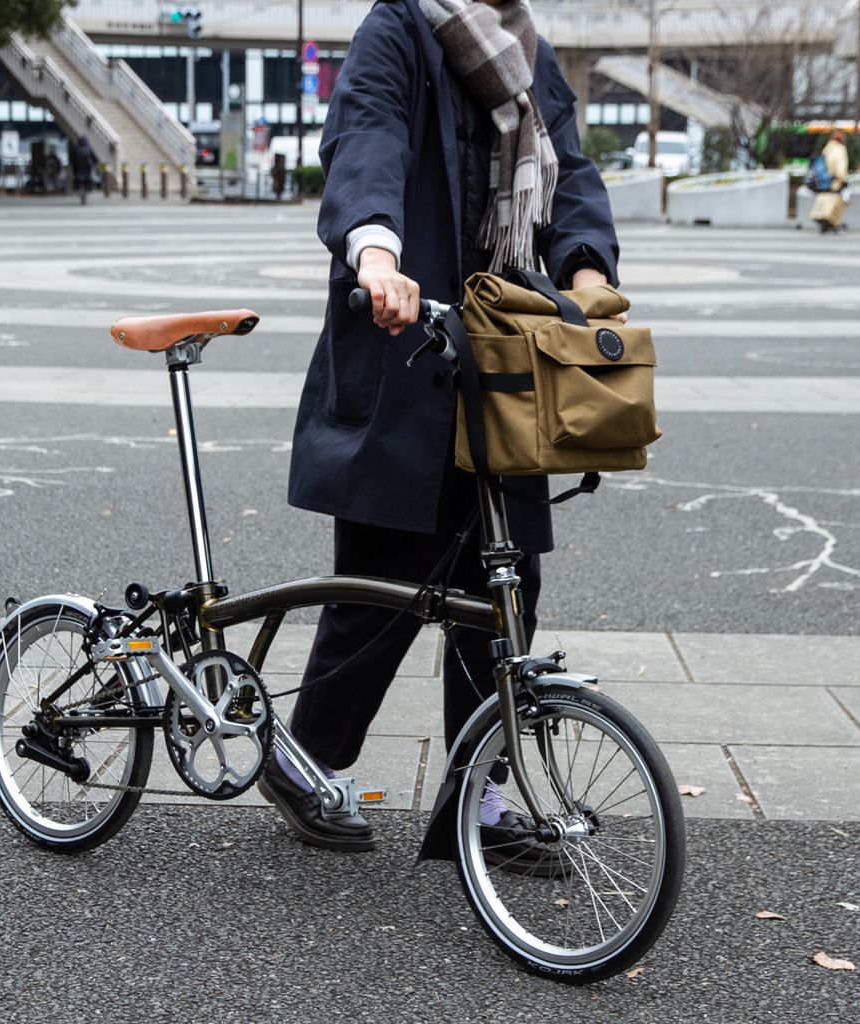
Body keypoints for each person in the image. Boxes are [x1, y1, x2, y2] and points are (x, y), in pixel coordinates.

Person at [259, 0, 621, 853]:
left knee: (506, 582)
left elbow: (567, 170)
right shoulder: (398, 29)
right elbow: (368, 142)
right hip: (405, 339)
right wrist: (376, 255)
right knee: (381, 581)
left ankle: (478, 802)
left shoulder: (528, 50)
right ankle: (306, 759)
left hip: (503, 349)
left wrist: (587, 266)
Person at [811, 130, 850, 234]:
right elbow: (840, 168)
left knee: (826, 200)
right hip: (835, 180)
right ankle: (835, 223)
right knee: (839, 203)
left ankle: (826, 224)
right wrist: (843, 179)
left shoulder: (827, 149)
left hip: (824, 180)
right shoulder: (840, 150)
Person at [69, 135, 96, 204]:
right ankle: (87, 189)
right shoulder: (89, 149)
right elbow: (94, 158)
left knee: (76, 178)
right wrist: (94, 163)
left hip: (77, 168)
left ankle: (78, 190)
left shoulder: (76, 148)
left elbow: (71, 159)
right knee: (89, 178)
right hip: (87, 168)